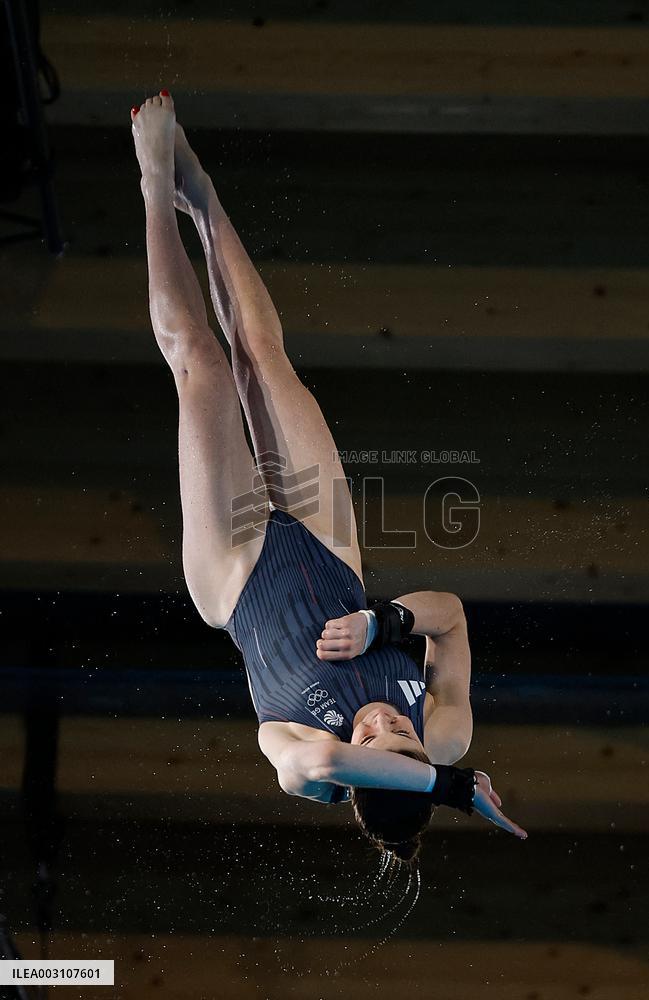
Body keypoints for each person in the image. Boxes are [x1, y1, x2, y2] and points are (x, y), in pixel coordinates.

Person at [130, 91, 528, 865]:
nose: (385, 722)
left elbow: (326, 764)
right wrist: (386, 626)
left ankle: (152, 186)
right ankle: (201, 195)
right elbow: (449, 616)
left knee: (203, 370)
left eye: (378, 741)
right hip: (327, 548)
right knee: (264, 359)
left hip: (238, 580)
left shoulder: (309, 762)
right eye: (405, 738)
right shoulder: (446, 733)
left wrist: (446, 790)